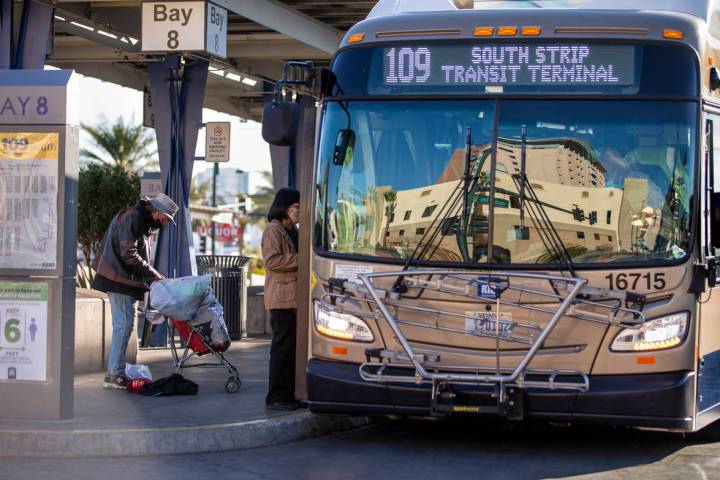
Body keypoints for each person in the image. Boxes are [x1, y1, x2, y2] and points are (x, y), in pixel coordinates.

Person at [91, 193, 178, 389]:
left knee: (124, 326)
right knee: (123, 326)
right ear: (157, 212)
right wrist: (154, 275)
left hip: (121, 279)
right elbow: (128, 254)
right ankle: (115, 374)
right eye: (166, 218)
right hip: (117, 279)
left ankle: (114, 372)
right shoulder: (134, 217)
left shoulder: (142, 220)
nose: (165, 222)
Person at [262, 188, 300, 410]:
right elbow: (272, 261)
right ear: (285, 207)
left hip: (293, 297)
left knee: (292, 349)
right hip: (281, 297)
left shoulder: (291, 230)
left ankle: (290, 394)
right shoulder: (273, 230)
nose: (298, 211)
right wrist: (302, 257)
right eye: (295, 207)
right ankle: (277, 396)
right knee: (282, 348)